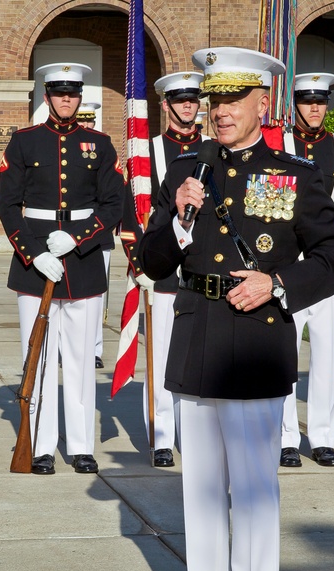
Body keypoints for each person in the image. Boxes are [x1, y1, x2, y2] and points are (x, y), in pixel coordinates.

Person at [138, 47, 334, 571]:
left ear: (264, 103)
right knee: (201, 482)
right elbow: (153, 263)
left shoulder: (295, 174)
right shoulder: (188, 170)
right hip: (196, 332)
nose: (220, 111)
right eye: (214, 99)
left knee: (254, 486)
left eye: (234, 99)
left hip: (257, 340)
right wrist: (177, 219)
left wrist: (278, 283)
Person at [0, 63, 123, 475]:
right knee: (40, 358)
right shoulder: (23, 142)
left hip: (83, 263)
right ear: (46, 96)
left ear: (81, 97)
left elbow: (112, 204)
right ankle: (42, 446)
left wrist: (79, 236)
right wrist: (34, 253)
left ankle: (82, 446)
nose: (66, 99)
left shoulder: (100, 144)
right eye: (58, 92)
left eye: (73, 93)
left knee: (81, 359)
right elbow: (7, 205)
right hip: (36, 264)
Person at [278, 73, 334, 469]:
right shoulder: (275, 147)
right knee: (283, 355)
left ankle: (323, 438)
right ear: (293, 103)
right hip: (285, 268)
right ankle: (284, 438)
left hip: (327, 271)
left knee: (327, 355)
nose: (315, 108)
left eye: (321, 101)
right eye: (307, 101)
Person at [121, 70, 208, 468]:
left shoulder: (213, 148)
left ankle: (192, 434)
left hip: (203, 269)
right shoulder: (148, 152)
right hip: (161, 272)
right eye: (180, 100)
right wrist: (140, 265)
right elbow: (130, 220)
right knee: (159, 357)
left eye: (193, 99)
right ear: (166, 104)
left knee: (196, 358)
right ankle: (160, 436)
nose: (187, 106)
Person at [75, 101, 112, 368]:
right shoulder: (71, 153)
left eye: (90, 122)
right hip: (70, 233)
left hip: (99, 233)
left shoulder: (103, 148)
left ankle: (95, 349)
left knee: (96, 297)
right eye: (83, 121)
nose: (87, 126)